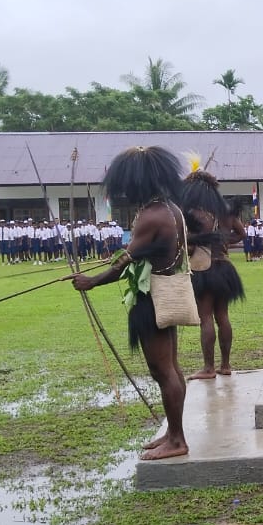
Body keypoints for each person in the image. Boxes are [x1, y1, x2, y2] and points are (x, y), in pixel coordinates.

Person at [72, 145, 191, 461]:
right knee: (171, 368)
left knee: (162, 369)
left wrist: (90, 282)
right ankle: (173, 432)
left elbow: (122, 263)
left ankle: (177, 439)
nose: (122, 192)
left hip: (152, 300)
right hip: (164, 293)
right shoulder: (171, 209)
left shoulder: (151, 216)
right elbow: (138, 253)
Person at [180, 161, 246, 380]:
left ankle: (209, 368)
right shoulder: (226, 211)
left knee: (205, 317)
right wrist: (224, 241)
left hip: (204, 269)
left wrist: (194, 242)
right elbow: (241, 234)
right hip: (225, 267)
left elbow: (184, 240)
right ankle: (225, 365)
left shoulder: (193, 213)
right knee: (223, 316)